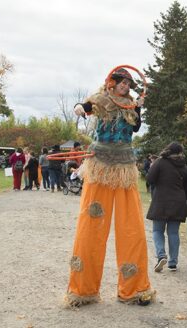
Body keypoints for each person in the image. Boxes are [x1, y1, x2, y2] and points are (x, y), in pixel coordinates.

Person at [66, 67, 154, 307]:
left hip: (124, 168)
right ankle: (82, 290)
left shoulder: (131, 105)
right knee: (91, 224)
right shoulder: (101, 99)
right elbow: (86, 107)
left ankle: (134, 289)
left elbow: (135, 128)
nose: (126, 87)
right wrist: (79, 108)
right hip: (101, 166)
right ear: (113, 82)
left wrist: (139, 106)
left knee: (131, 226)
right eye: (123, 83)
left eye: (129, 84)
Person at [146, 142, 187, 272]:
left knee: (158, 231)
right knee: (173, 232)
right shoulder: (183, 164)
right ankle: (173, 262)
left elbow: (150, 179)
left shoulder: (160, 162)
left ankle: (161, 255)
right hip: (178, 201)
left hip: (161, 200)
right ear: (180, 152)